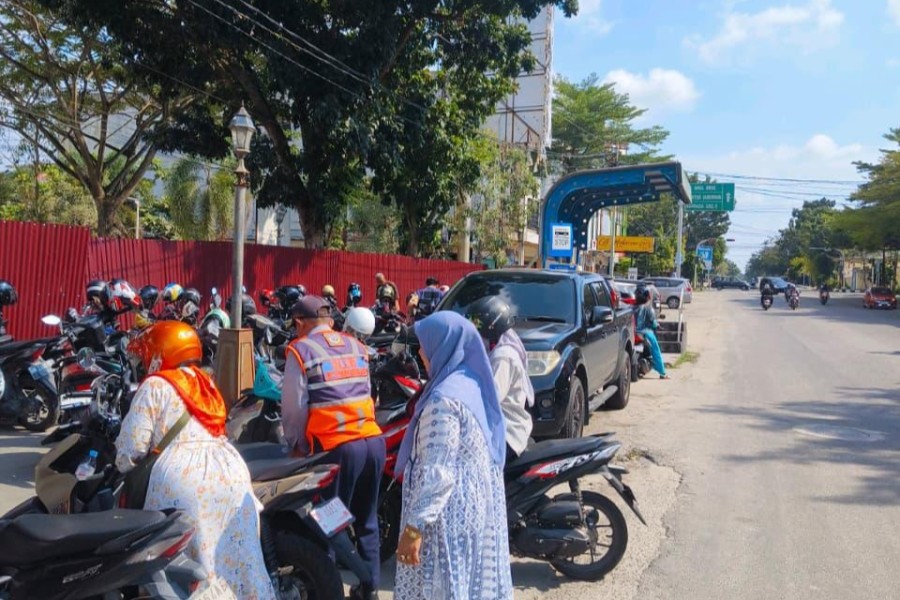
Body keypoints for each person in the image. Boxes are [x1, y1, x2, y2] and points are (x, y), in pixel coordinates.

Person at [115, 321, 275, 599]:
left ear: (160, 353)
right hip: (231, 474)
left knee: (190, 572)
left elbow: (131, 451)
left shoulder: (155, 385)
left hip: (184, 480)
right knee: (239, 562)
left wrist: (124, 462)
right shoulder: (206, 382)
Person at [394, 312, 512, 599]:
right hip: (471, 511)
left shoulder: (443, 401)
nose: (420, 353)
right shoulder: (470, 382)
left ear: (443, 346)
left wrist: (414, 529)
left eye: (425, 345)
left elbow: (438, 472)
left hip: (445, 521)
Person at [281, 296, 385, 600]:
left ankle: (327, 591)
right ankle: (370, 589)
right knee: (367, 521)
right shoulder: (356, 346)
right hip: (373, 441)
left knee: (328, 523)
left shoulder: (300, 350)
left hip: (337, 449)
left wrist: (297, 446)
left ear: (299, 323)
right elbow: (366, 391)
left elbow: (294, 409)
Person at [465, 296, 534, 460]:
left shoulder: (502, 357)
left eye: (478, 330)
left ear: (491, 330)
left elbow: (491, 398)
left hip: (508, 434)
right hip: (498, 428)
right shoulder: (494, 352)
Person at [634, 286, 669, 380]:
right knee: (656, 350)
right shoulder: (647, 308)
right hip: (645, 333)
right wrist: (658, 326)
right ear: (648, 296)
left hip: (632, 332)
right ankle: (662, 373)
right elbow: (653, 321)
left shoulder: (632, 307)